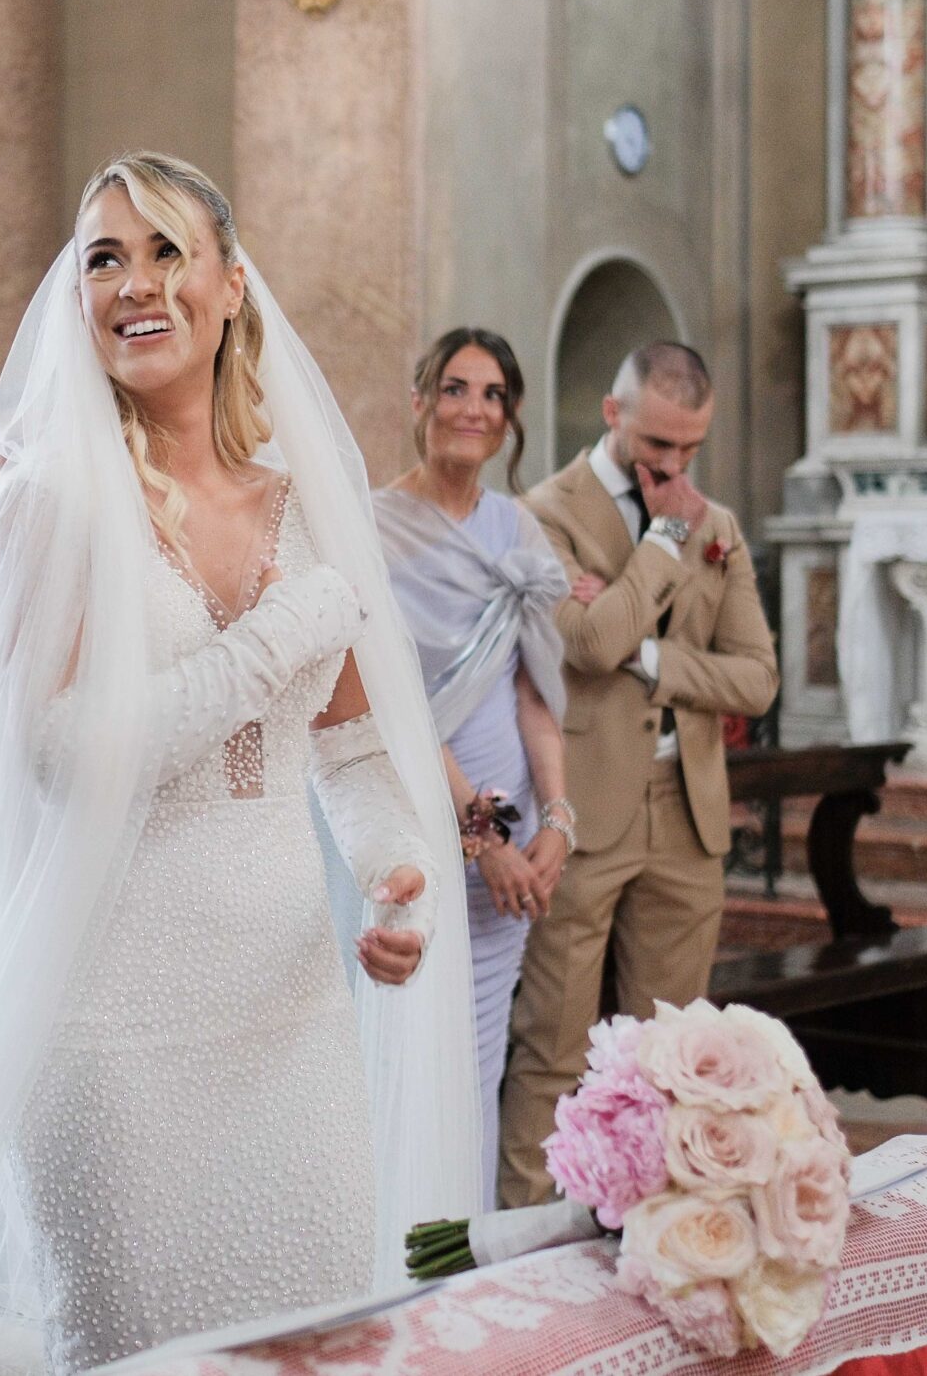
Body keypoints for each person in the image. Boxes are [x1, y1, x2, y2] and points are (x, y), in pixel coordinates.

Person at [0, 152, 480, 1375]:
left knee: (312, 1349)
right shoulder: (52, 501)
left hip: (291, 1021)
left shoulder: (303, 508)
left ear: (231, 286)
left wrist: (395, 873)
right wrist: (277, 635)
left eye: (165, 251)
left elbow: (350, 751)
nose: (134, 283)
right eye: (104, 258)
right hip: (110, 1036)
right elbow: (64, 754)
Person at [496, 342, 777, 1207]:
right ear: (613, 413)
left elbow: (756, 678)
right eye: (659, 444)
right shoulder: (543, 514)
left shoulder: (717, 523)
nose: (674, 466)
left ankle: (656, 1233)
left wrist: (648, 656)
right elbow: (586, 643)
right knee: (555, 1045)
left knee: (674, 1053)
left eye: (691, 448)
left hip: (687, 815)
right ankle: (523, 1244)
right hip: (582, 808)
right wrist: (661, 542)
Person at [373, 329, 573, 1209]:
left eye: (493, 395)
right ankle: (404, 1244)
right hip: (419, 816)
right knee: (414, 1044)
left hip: (514, 833)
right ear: (421, 399)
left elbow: (533, 692)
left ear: (510, 417)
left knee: (482, 1054)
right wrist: (479, 834)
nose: (473, 409)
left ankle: (462, 1250)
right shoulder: (375, 526)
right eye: (455, 388)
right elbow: (393, 702)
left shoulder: (515, 527)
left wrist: (556, 819)